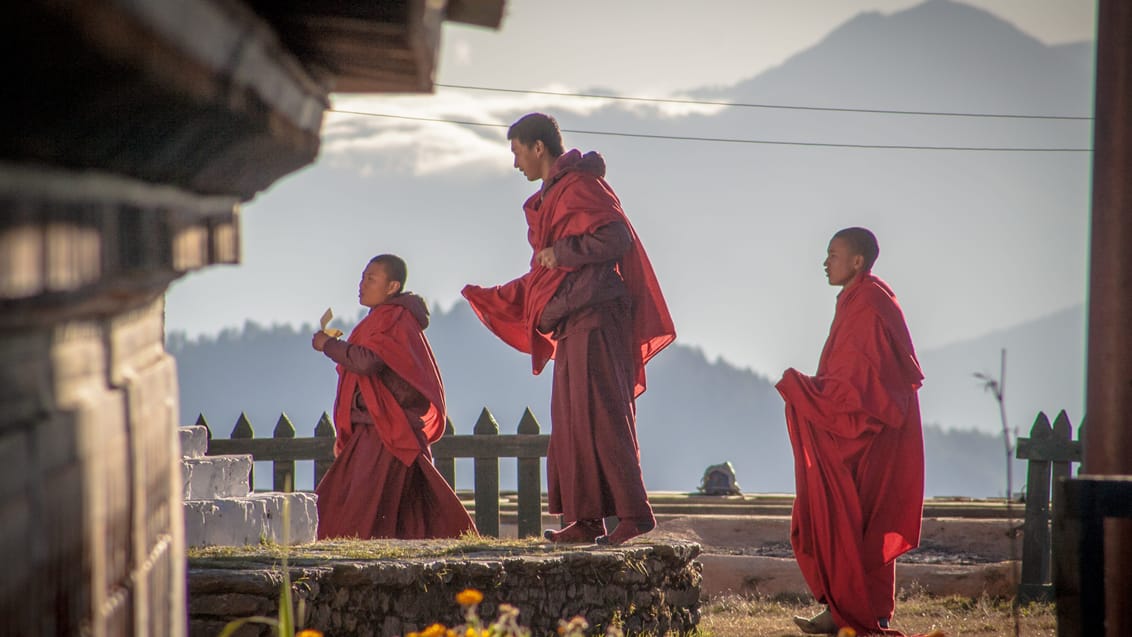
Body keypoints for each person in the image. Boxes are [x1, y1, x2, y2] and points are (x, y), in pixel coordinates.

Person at [462, 113, 675, 546]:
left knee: (603, 414)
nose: (516, 164)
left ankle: (635, 514)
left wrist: (564, 251)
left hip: (597, 315)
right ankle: (587, 519)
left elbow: (617, 239)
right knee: (573, 422)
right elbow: (546, 272)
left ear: (539, 147)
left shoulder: (580, 185)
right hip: (573, 320)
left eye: (518, 152)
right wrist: (500, 295)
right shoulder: (552, 196)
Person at [776, 227, 925, 635]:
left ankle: (867, 614)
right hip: (856, 425)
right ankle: (842, 610)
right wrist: (814, 393)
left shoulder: (871, 303)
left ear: (857, 261)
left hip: (871, 433)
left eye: (833, 254)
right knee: (830, 519)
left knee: (858, 522)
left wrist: (808, 394)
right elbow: (848, 376)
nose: (826, 262)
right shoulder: (856, 301)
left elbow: (866, 384)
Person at [312, 254, 476, 539]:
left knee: (359, 499)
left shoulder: (394, 318)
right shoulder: (381, 318)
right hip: (376, 423)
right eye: (362, 277)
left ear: (392, 286)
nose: (361, 284)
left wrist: (329, 345)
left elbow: (367, 362)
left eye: (371, 279)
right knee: (397, 500)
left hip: (387, 425)